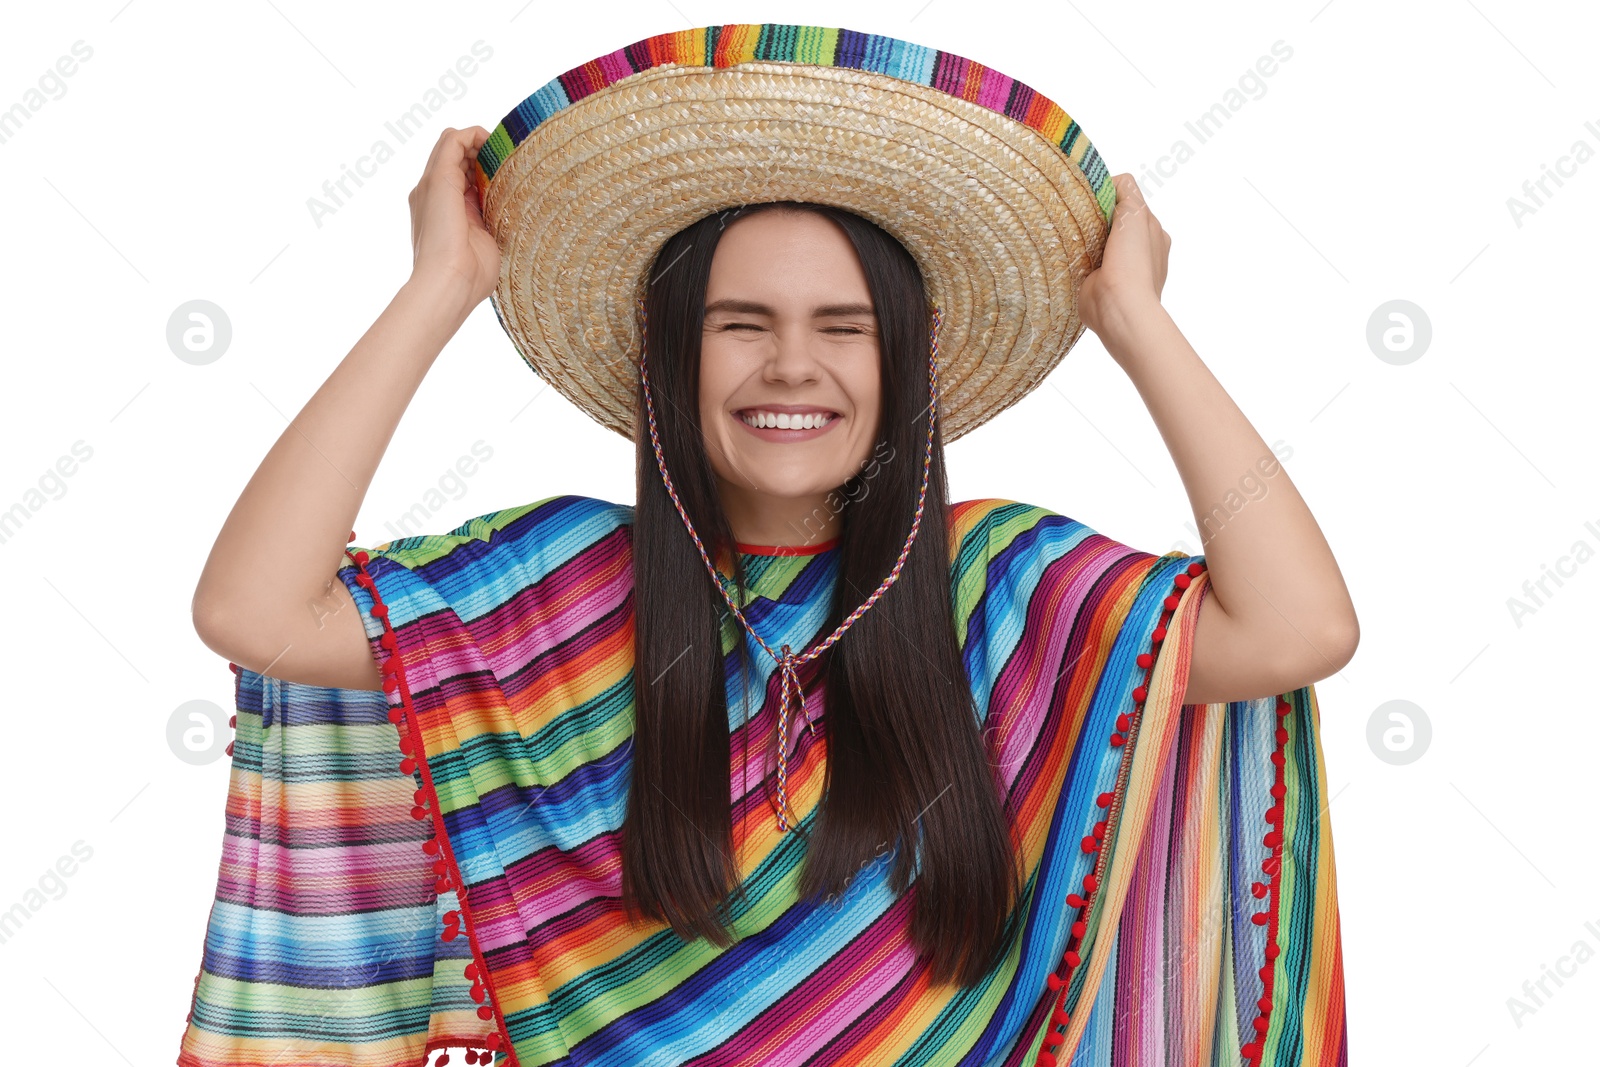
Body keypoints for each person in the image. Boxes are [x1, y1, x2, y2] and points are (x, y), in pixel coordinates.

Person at [180, 24, 1354, 1067]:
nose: (791, 364)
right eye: (741, 324)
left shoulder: (997, 586)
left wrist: (1140, 327)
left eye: (843, 327)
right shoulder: (558, 586)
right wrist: (439, 286)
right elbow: (255, 608)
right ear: (667, 353)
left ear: (908, 361)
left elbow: (1300, 628)